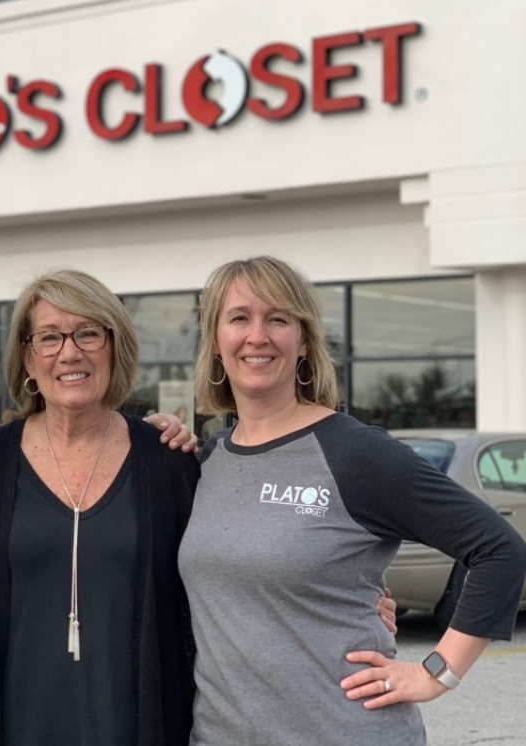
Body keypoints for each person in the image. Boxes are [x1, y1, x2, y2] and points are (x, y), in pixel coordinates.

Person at [178, 256, 526, 745]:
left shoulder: (354, 452)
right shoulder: (206, 460)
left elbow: (499, 549)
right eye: (239, 318)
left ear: (302, 342)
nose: (257, 335)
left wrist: (435, 672)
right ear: (216, 340)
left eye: (277, 318)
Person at [0, 269, 201, 746]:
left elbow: (219, 584)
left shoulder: (168, 461)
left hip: (137, 727)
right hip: (14, 726)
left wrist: (360, 601)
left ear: (115, 347)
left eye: (89, 333)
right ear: (28, 359)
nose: (70, 352)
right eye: (49, 337)